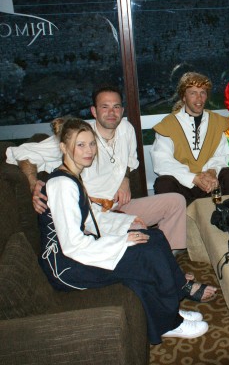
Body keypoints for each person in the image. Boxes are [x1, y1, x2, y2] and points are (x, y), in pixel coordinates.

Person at [38, 117, 211, 344]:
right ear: (63, 148)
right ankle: (169, 323)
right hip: (67, 267)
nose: (89, 151)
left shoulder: (72, 176)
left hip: (78, 253)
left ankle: (170, 308)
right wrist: (122, 241)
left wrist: (125, 223)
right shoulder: (62, 184)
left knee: (155, 237)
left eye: (92, 144)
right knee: (147, 255)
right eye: (80, 145)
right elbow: (72, 245)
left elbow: (91, 218)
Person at [6, 86, 199, 261]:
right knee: (138, 232)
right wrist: (32, 183)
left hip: (119, 204)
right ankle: (156, 264)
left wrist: (125, 179)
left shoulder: (126, 129)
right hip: (94, 215)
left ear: (122, 110)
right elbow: (22, 152)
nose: (111, 113)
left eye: (116, 107)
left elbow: (130, 159)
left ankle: (167, 257)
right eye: (105, 107)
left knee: (175, 202)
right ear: (94, 111)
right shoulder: (80, 137)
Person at [151, 72, 229, 205]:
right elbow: (162, 161)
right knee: (163, 183)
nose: (199, 98)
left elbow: (222, 154)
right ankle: (179, 218)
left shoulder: (216, 121)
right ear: (183, 97)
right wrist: (193, 178)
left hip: (211, 183)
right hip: (183, 184)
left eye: (202, 93)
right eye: (193, 93)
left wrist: (211, 172)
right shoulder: (168, 124)